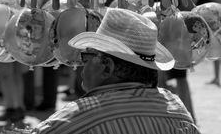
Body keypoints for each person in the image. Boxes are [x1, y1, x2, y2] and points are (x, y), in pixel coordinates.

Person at [32, 8, 200, 134]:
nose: (83, 64)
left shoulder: (82, 114)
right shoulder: (175, 107)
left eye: (87, 56)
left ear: (107, 67)